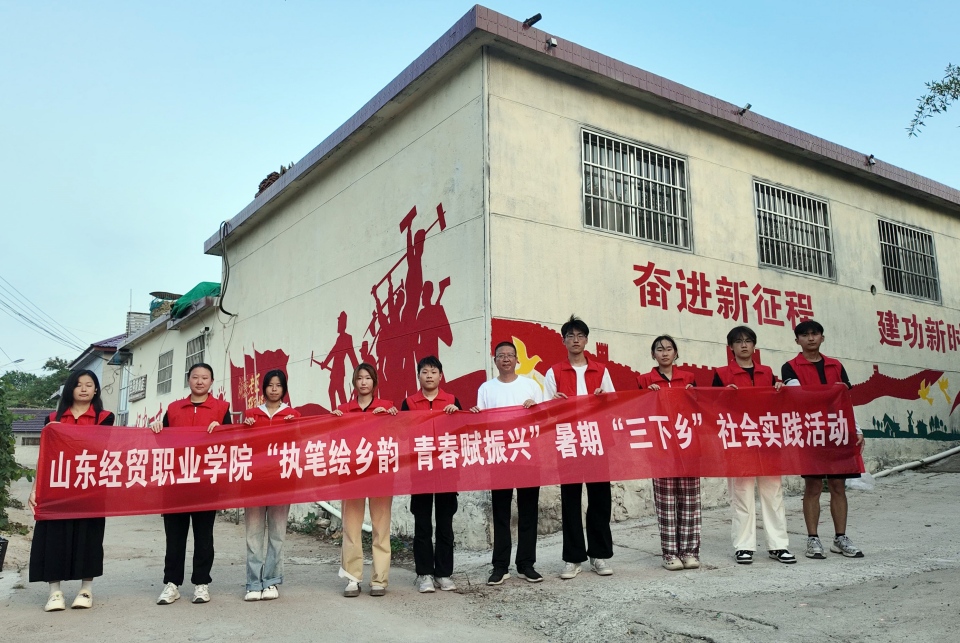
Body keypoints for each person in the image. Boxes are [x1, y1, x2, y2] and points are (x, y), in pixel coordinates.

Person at [28, 370, 115, 612]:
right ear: (70, 389)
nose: (84, 389)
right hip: (57, 486)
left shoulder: (105, 417)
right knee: (53, 537)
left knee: (89, 537)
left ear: (96, 390)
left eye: (89, 385)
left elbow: (101, 448)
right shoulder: (53, 418)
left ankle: (86, 589)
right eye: (78, 385)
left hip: (90, 487)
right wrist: (35, 488)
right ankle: (54, 592)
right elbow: (45, 456)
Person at [781, 319, 865, 560]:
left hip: (838, 430)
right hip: (810, 432)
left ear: (822, 337)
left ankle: (840, 538)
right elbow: (800, 397)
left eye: (815, 334)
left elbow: (845, 400)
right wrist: (829, 393)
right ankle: (813, 539)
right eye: (805, 335)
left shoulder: (836, 366)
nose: (810, 338)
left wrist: (856, 429)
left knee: (838, 486)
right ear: (797, 340)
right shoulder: (790, 367)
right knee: (813, 486)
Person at [713, 326, 795, 566]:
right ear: (731, 347)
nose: (744, 345)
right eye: (738, 341)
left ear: (754, 345)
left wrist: (779, 389)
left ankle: (778, 545)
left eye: (748, 341)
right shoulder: (721, 374)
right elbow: (711, 407)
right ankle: (743, 546)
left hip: (767, 440)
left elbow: (778, 403)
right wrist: (722, 395)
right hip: (739, 441)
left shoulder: (767, 372)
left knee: (773, 493)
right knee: (742, 495)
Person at [150, 363, 231, 605]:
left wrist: (222, 430)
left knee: (204, 536)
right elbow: (162, 443)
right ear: (188, 380)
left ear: (212, 381)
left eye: (205, 377)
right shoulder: (174, 408)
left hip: (206, 482)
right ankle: (172, 584)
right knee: (174, 536)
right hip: (176, 481)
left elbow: (232, 441)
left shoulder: (221, 408)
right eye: (195, 377)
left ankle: (201, 583)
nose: (200, 381)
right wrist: (157, 429)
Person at [543, 315, 615, 579]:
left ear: (586, 340)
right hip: (569, 440)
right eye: (570, 336)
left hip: (596, 439)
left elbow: (613, 403)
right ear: (563, 341)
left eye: (580, 335)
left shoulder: (601, 370)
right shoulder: (554, 372)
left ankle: (599, 555)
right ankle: (573, 558)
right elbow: (545, 411)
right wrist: (554, 403)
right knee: (571, 500)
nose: (575, 340)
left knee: (600, 499)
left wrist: (604, 399)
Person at [469, 341, 544, 585]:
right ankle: (500, 566)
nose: (506, 359)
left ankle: (526, 564)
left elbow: (544, 418)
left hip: (527, 455)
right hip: (499, 455)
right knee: (501, 513)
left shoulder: (531, 385)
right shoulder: (486, 388)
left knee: (528, 511)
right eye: (501, 355)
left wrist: (535, 408)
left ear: (517, 359)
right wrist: (475, 415)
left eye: (510, 355)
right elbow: (482, 422)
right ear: (495, 360)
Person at [330, 363, 398, 598]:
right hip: (351, 475)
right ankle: (352, 578)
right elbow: (334, 439)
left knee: (381, 527)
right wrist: (334, 421)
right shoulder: (343, 410)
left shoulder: (386, 407)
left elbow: (397, 435)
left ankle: (379, 579)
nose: (363, 382)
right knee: (351, 527)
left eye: (368, 378)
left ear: (374, 382)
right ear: (354, 382)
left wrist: (392, 419)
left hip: (380, 474)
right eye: (359, 378)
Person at [637, 335, 701, 571]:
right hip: (661, 448)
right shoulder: (644, 380)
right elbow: (637, 411)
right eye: (659, 349)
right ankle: (670, 553)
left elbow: (701, 407)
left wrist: (694, 394)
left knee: (689, 501)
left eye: (669, 349)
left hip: (688, 446)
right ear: (653, 354)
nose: (664, 353)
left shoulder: (689, 378)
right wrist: (646, 395)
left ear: (676, 353)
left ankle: (690, 551)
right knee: (666, 503)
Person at [401, 356, 461, 593]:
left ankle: (444, 574)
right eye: (424, 372)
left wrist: (459, 414)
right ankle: (424, 574)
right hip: (420, 471)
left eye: (433, 372)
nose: (429, 376)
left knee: (445, 524)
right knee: (422, 525)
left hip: (447, 470)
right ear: (418, 376)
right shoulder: (409, 402)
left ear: (441, 376)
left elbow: (463, 430)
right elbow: (402, 433)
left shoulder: (452, 400)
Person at [241, 369, 301, 602]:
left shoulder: (293, 415)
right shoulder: (251, 414)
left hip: (281, 482)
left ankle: (272, 581)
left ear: (284, 388)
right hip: (254, 482)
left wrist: (294, 428)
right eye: (270, 385)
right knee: (253, 535)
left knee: (277, 534)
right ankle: (253, 583)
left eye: (278, 385)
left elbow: (300, 445)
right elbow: (241, 445)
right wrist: (245, 428)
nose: (274, 389)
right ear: (263, 388)